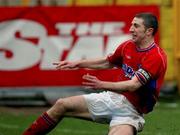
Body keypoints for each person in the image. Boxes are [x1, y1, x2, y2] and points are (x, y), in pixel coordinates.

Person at [23, 12, 167, 135]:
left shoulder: (156, 57)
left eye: (136, 26)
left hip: (131, 112)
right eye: (131, 25)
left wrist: (101, 84)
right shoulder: (127, 46)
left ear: (149, 31)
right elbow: (107, 62)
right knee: (61, 104)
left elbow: (133, 85)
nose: (130, 29)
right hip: (112, 98)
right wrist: (77, 63)